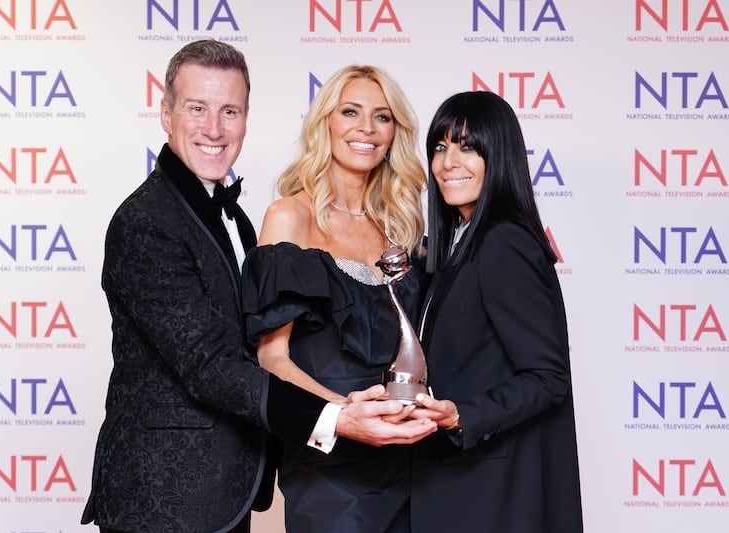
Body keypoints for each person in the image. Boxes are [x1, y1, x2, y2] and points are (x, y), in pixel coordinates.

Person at [80, 41, 435, 533]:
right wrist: (334, 415)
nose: (214, 128)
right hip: (166, 494)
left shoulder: (236, 220)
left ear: (247, 119)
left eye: (230, 111)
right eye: (197, 108)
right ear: (165, 113)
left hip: (233, 485)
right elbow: (211, 365)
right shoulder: (147, 222)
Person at [241, 65, 427, 532]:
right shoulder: (289, 217)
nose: (366, 128)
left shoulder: (402, 224)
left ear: (394, 133)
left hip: (411, 459)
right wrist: (345, 416)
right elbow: (272, 359)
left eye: (382, 117)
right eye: (351, 112)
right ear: (325, 123)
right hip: (331, 468)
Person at [408, 91, 583, 532]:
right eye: (440, 147)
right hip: (459, 483)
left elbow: (548, 377)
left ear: (498, 155)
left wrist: (462, 414)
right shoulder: (457, 245)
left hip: (492, 494)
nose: (449, 161)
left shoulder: (503, 242)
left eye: (468, 147)